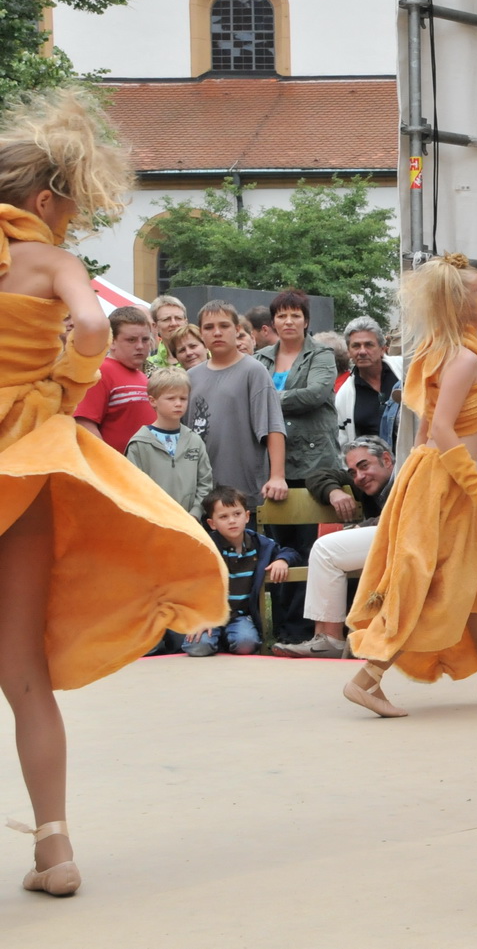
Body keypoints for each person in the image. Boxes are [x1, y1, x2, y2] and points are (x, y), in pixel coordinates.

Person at [0, 87, 226, 896]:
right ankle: (55, 849)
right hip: (23, 463)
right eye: (71, 212)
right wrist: (63, 385)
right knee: (23, 671)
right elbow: (94, 329)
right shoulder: (52, 262)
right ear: (45, 202)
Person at [340, 256, 477, 715]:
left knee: (475, 577)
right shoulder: (463, 359)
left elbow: (425, 430)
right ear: (460, 306)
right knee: (430, 581)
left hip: (438, 479)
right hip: (448, 482)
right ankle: (368, 678)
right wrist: (476, 487)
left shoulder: (444, 353)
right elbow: (441, 429)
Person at [272, 435, 396, 659]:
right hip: (391, 542)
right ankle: (324, 638)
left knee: (326, 549)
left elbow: (400, 514)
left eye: (364, 466)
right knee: (324, 549)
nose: (359, 477)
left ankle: (329, 640)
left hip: (414, 538)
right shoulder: (366, 484)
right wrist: (334, 491)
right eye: (353, 472)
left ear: (386, 460)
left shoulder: (406, 476)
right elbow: (317, 476)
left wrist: (360, 526)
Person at [188, 302, 287, 509]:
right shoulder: (190, 377)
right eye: (209, 327)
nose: (217, 332)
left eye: (224, 326)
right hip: (200, 494)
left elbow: (273, 427)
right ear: (201, 333)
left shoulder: (254, 371)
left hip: (242, 493)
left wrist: (277, 476)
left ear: (237, 329)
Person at [185, 487, 298, 657]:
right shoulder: (205, 547)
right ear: (212, 523)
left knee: (246, 645)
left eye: (237, 514)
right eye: (223, 517)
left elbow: (290, 552)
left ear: (247, 516)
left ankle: (226, 639)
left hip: (240, 615)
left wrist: (282, 560)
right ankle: (216, 639)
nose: (232, 521)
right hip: (208, 614)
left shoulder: (259, 543)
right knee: (198, 647)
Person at [254, 290, 343, 487]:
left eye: (295, 315)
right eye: (281, 316)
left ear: (306, 321)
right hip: (270, 461)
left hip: (314, 460)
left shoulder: (322, 354)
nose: (288, 321)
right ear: (273, 322)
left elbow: (314, 395)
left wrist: (267, 401)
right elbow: (248, 400)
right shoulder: (259, 358)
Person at [124, 366, 214, 520]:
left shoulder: (194, 440)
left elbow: (205, 483)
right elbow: (132, 487)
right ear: (153, 401)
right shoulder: (140, 444)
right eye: (171, 398)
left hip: (190, 523)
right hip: (154, 523)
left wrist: (195, 513)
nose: (178, 403)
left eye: (183, 398)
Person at [71, 305, 156, 453]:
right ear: (112, 341)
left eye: (145, 339)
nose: (140, 346)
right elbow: (84, 425)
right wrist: (108, 462)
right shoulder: (100, 372)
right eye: (131, 340)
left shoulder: (143, 377)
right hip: (116, 465)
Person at [335, 315, 403, 442]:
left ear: (382, 349)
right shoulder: (344, 397)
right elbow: (344, 442)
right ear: (348, 352)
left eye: (369, 345)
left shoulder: (404, 370)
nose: (362, 351)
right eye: (356, 346)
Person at [146, 295, 187, 371]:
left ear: (186, 322)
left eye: (178, 318)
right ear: (155, 326)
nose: (174, 323)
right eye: (166, 319)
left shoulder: (205, 356)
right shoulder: (149, 364)